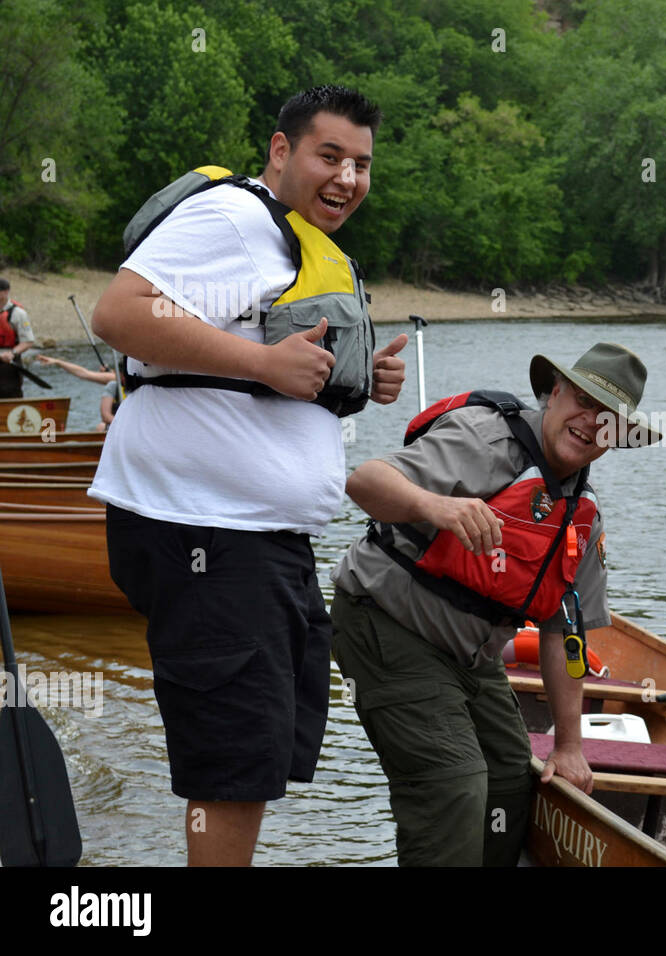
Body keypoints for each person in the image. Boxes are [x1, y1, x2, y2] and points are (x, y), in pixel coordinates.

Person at [87, 85, 407, 866]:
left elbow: (269, 375)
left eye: (361, 164)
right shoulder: (231, 219)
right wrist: (264, 361)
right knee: (230, 760)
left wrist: (363, 380)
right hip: (206, 532)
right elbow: (121, 314)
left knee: (253, 754)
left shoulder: (290, 241)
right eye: (329, 156)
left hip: (258, 539)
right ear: (280, 151)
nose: (347, 178)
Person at [330, 343, 660, 866]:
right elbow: (364, 482)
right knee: (455, 784)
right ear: (554, 393)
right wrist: (436, 506)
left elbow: (561, 631)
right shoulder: (482, 439)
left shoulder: (583, 516)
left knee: (509, 779)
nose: (588, 422)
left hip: (474, 656)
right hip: (386, 621)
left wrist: (570, 747)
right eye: (581, 400)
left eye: (608, 419)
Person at [34, 356, 120, 431]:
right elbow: (84, 373)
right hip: (117, 423)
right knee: (101, 427)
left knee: (101, 426)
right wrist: (58, 362)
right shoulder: (115, 379)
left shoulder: (116, 378)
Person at [0, 278, 36, 398]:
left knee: (10, 393)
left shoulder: (18, 314)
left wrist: (12, 353)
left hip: (9, 362)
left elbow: (28, 341)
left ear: (5, 292)